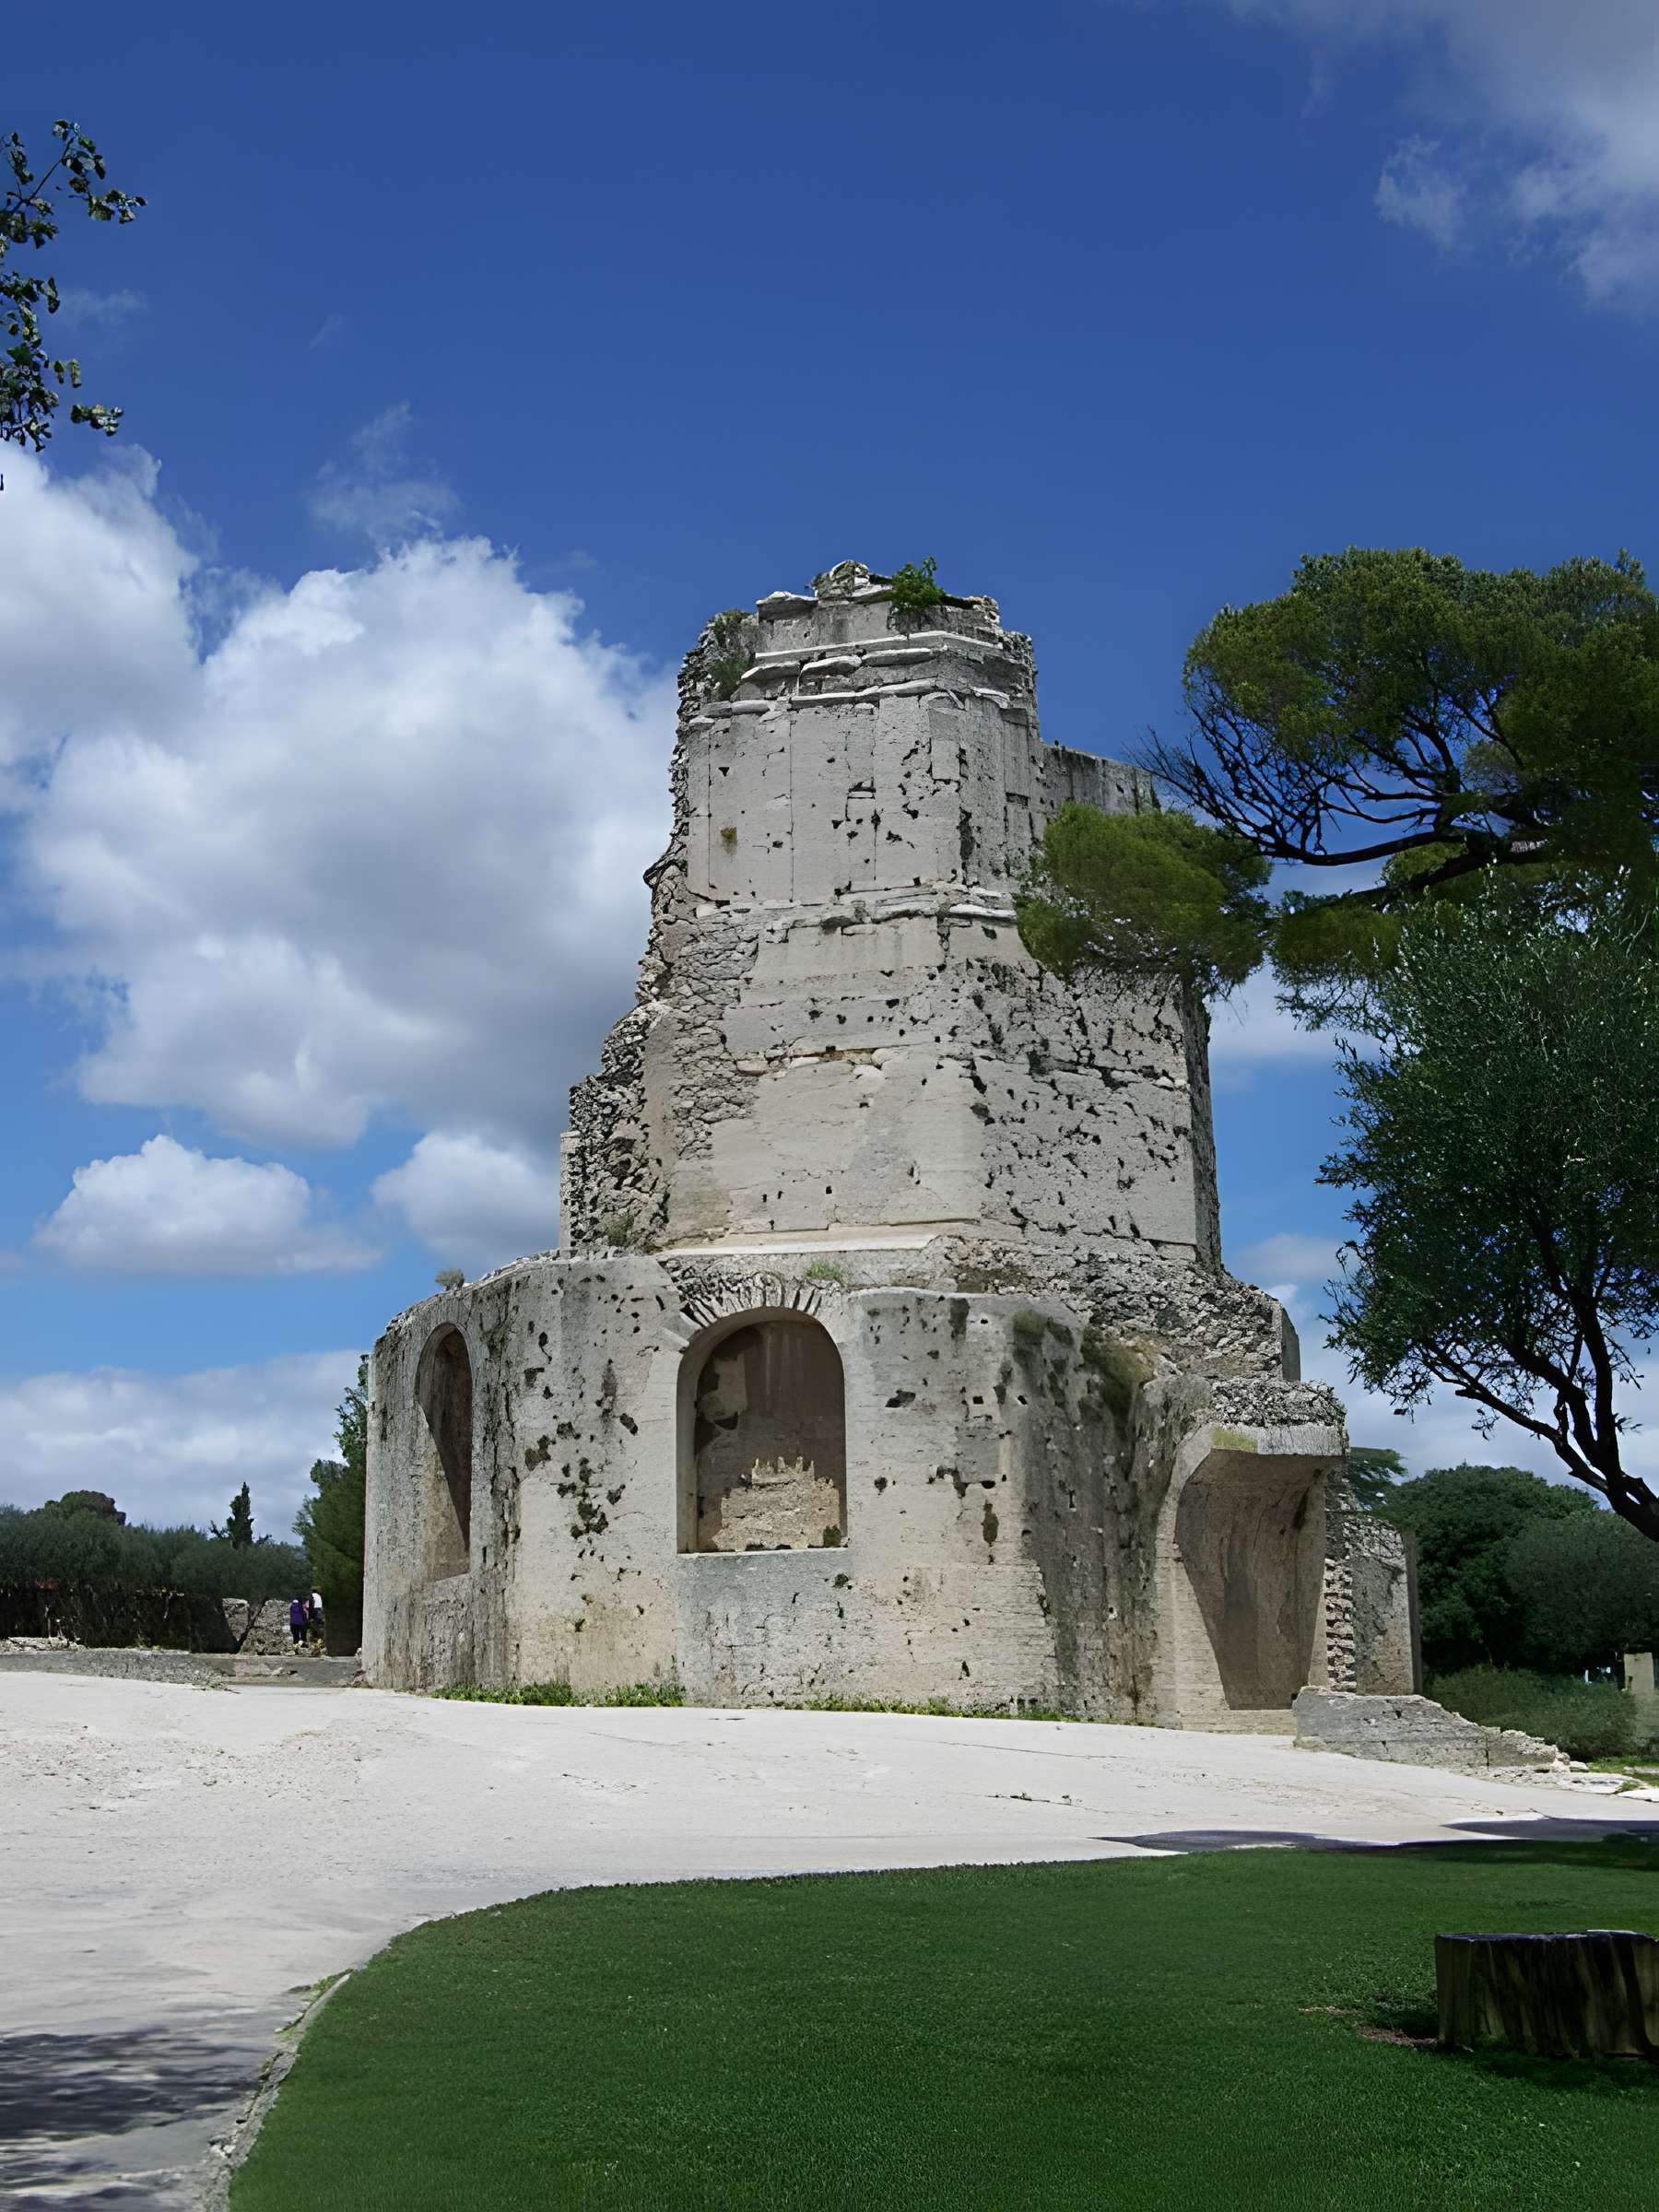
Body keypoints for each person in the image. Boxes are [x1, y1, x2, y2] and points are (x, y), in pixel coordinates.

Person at [309, 1588, 326, 1653]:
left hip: (315, 1615)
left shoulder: (312, 1597)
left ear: (312, 1592)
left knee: (315, 1630)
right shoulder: (319, 1597)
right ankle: (322, 1644)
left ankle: (316, 1646)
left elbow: (311, 1608)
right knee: (321, 1630)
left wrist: (310, 1617)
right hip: (321, 1615)